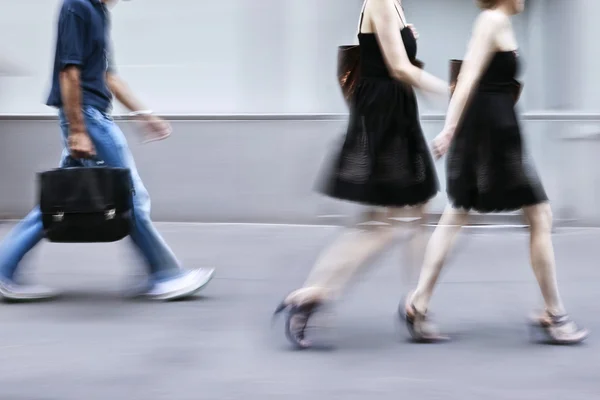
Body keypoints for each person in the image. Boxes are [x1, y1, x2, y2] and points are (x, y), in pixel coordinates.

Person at [0, 0, 215, 302]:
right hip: (87, 116)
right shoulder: (76, 6)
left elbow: (107, 75)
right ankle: (164, 274)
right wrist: (77, 130)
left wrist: (144, 114)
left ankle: (2, 269)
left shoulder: (98, 11)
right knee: (129, 196)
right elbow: (69, 72)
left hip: (93, 114)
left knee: (58, 199)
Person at [402, 0, 588, 344]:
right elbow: (468, 76)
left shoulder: (499, 21)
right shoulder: (491, 21)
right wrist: (449, 129)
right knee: (538, 215)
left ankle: (419, 302)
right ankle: (554, 314)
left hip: (495, 130)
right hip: (491, 135)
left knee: (459, 214)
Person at [273, 0, 448, 348]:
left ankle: (415, 305)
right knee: (383, 225)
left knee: (412, 211)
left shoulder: (393, 3)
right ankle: (314, 293)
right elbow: (399, 68)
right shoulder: (381, 1)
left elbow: (390, 57)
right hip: (384, 116)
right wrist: (453, 91)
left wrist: (405, 37)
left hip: (394, 111)